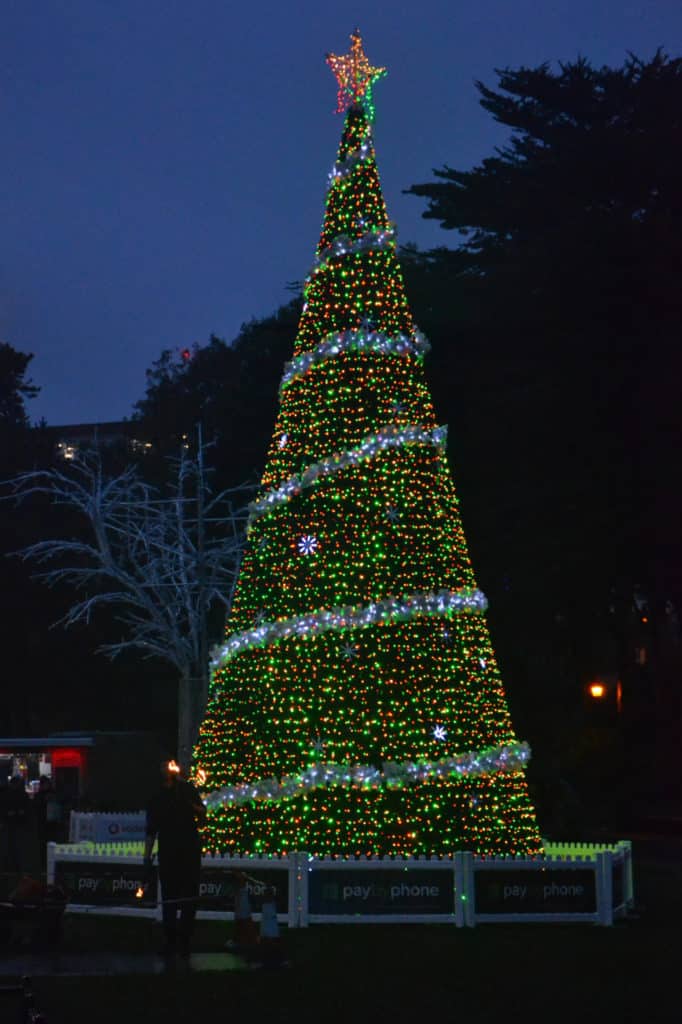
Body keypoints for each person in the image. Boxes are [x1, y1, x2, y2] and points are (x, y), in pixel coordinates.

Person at [144, 760, 207, 958]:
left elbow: (203, 814)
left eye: (169, 765)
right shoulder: (157, 797)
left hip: (189, 852)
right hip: (169, 853)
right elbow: (151, 829)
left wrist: (191, 804)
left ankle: (185, 942)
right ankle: (170, 942)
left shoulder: (188, 790)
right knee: (169, 899)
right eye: (163, 766)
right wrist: (146, 856)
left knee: (189, 898)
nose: (166, 769)